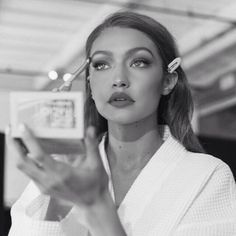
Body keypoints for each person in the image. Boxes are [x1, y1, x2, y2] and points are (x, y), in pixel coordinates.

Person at [7, 11, 236, 236]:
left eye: (139, 62)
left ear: (167, 81)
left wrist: (97, 205)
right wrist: (58, 200)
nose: (118, 80)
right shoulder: (58, 175)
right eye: (101, 65)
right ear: (91, 85)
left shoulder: (207, 176)